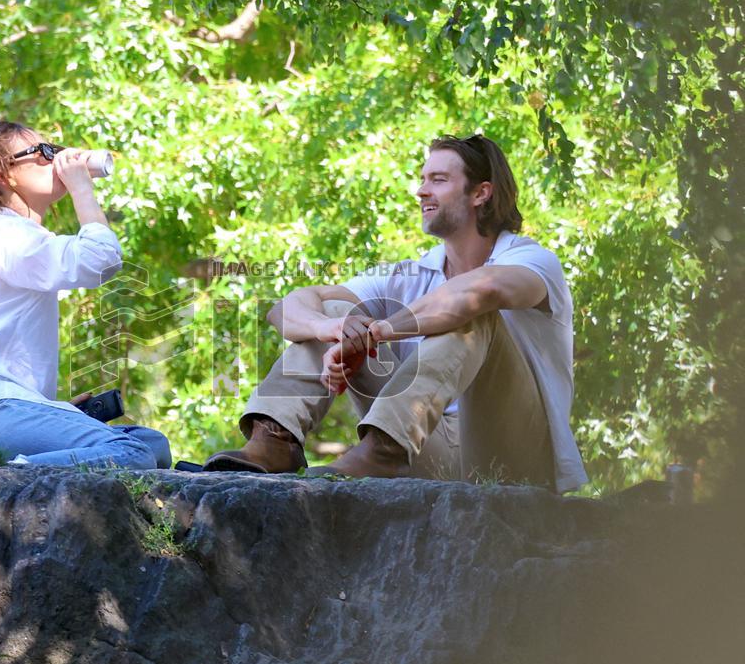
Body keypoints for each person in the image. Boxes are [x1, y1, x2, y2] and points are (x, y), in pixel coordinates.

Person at [205, 134, 587, 493]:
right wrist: (334, 328)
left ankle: (380, 452)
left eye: (438, 179)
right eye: (422, 179)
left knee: (475, 313)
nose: (421, 191)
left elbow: (480, 290)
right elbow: (285, 308)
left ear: (481, 193)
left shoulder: (531, 260)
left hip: (511, 455)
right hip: (425, 451)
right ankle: (274, 441)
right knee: (341, 311)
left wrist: (379, 332)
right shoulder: (407, 275)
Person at [0, 120, 170, 469]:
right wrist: (83, 189)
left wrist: (54, 411)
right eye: (43, 152)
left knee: (149, 443)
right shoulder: (4, 235)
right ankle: (13, 479)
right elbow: (101, 258)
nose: (56, 158)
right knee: (132, 454)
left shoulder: (16, 237)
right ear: (4, 175)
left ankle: (21, 467)